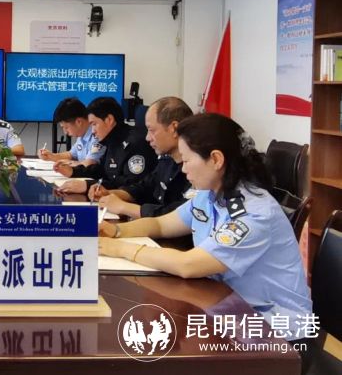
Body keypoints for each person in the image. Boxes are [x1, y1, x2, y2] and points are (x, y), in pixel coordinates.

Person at [98, 113, 312, 346]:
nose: (183, 170)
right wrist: (116, 232)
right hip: (230, 309)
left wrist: (120, 249)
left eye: (187, 160)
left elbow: (188, 265)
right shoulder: (211, 195)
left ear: (216, 159)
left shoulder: (254, 213)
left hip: (276, 332)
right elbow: (162, 224)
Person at [92, 96, 193, 218]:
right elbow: (144, 187)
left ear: (174, 128)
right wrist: (109, 194)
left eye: (152, 130)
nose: (147, 138)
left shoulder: (197, 168)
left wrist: (123, 207)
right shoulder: (166, 160)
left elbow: (181, 214)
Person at [54, 96, 156, 192]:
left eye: (94, 124)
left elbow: (130, 186)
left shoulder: (135, 144)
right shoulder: (112, 140)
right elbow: (102, 171)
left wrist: (87, 186)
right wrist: (73, 171)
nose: (93, 131)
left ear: (109, 120)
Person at [38, 97, 105, 165]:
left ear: (78, 122)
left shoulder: (98, 135)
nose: (65, 132)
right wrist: (51, 156)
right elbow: (71, 155)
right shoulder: (82, 134)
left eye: (66, 127)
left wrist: (67, 163)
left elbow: (89, 164)